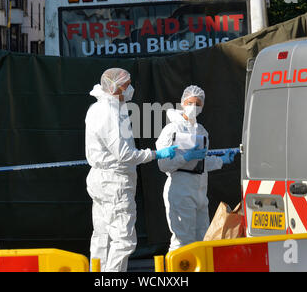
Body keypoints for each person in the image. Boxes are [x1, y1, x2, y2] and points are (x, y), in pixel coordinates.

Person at [85, 68, 183, 272]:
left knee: (102, 236)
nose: (131, 88)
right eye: (127, 84)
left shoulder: (97, 108)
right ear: (118, 87)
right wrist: (156, 154)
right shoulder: (110, 113)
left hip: (100, 179)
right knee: (123, 241)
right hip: (114, 182)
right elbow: (125, 154)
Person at [156, 85, 236, 251]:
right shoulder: (171, 129)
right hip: (180, 188)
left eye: (198, 104)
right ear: (183, 103)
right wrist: (184, 158)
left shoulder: (202, 131)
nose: (194, 106)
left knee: (202, 239)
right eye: (190, 102)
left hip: (200, 189)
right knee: (182, 241)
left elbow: (201, 162)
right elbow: (163, 164)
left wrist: (221, 161)